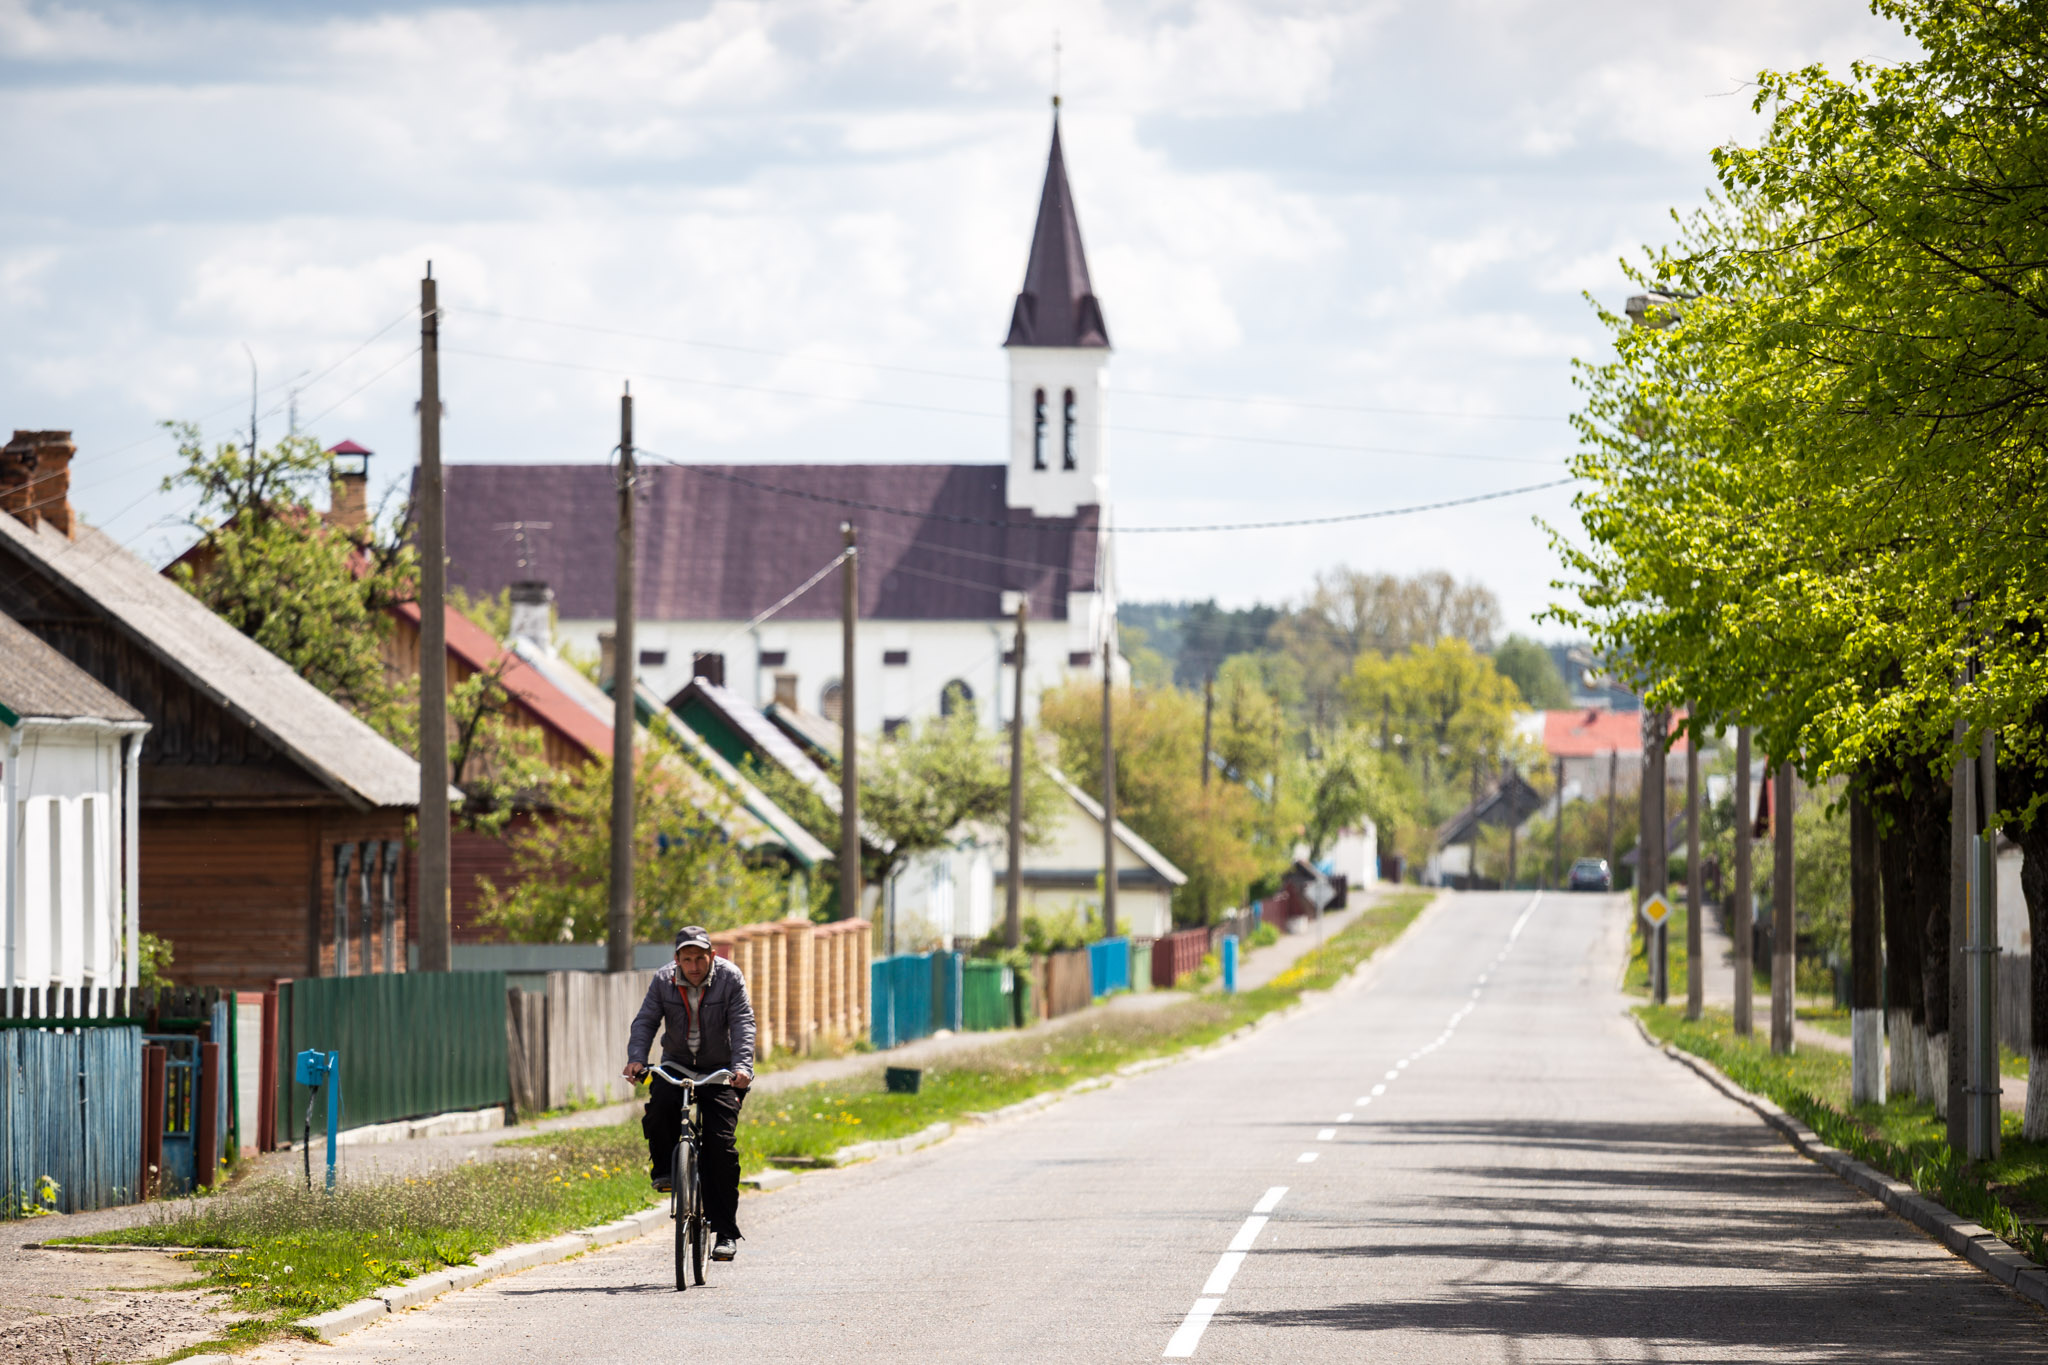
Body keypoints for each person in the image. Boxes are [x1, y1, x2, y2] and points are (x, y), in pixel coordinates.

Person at [624, 926, 755, 1262]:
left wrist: (742, 1067)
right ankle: (667, 1172)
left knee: (720, 1145)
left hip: (719, 1068)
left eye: (700, 958)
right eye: (687, 959)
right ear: (677, 960)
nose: (694, 965)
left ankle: (725, 1233)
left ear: (711, 956)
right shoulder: (663, 980)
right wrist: (637, 1059)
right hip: (677, 1064)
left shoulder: (730, 978)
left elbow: (742, 1022)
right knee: (659, 1109)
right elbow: (646, 1021)